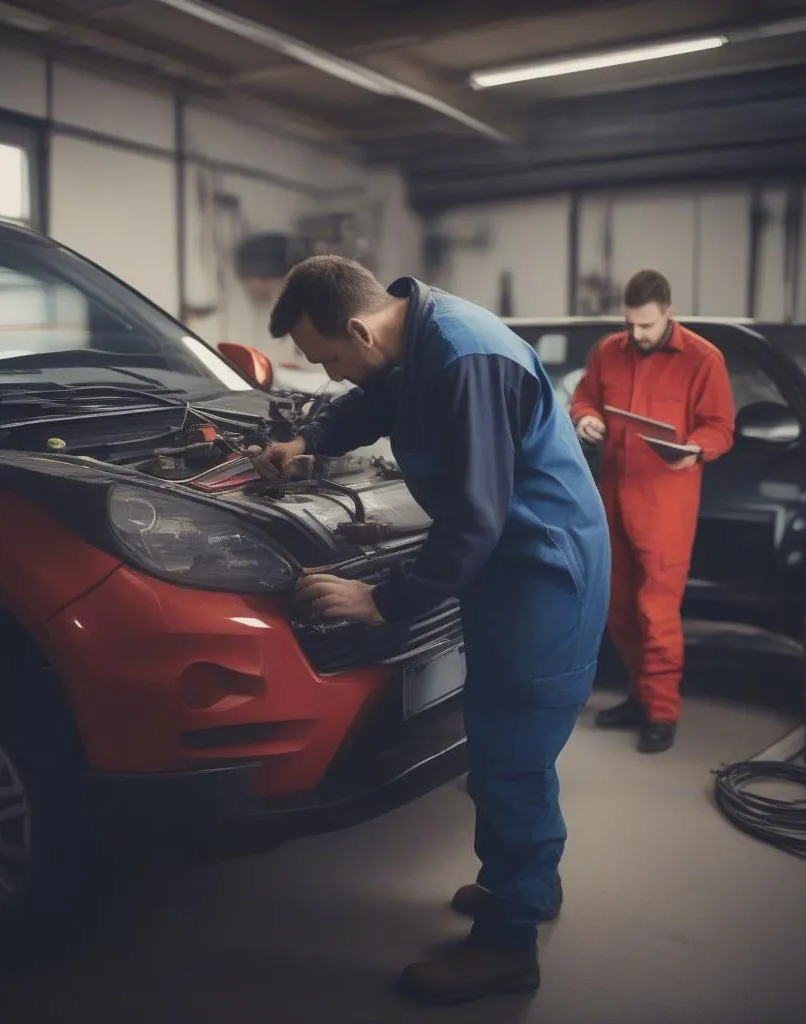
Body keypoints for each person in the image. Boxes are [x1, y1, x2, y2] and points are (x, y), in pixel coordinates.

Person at [254, 256, 611, 1005]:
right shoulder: (409, 338)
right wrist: (306, 442)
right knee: (509, 742)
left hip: (540, 570)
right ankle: (527, 888)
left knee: (511, 755)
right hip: (505, 566)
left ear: (357, 326)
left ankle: (507, 948)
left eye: (330, 359)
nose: (335, 374)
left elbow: (476, 519)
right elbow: (374, 398)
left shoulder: (463, 360)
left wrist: (383, 600)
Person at [569, 269, 736, 753]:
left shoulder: (704, 359)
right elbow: (584, 396)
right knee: (617, 608)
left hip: (666, 507)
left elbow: (721, 427)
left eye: (645, 325)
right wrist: (587, 418)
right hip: (612, 498)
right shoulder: (608, 351)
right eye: (629, 325)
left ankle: (661, 712)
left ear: (668, 312)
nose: (636, 335)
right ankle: (640, 698)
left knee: (655, 611)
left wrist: (696, 450)